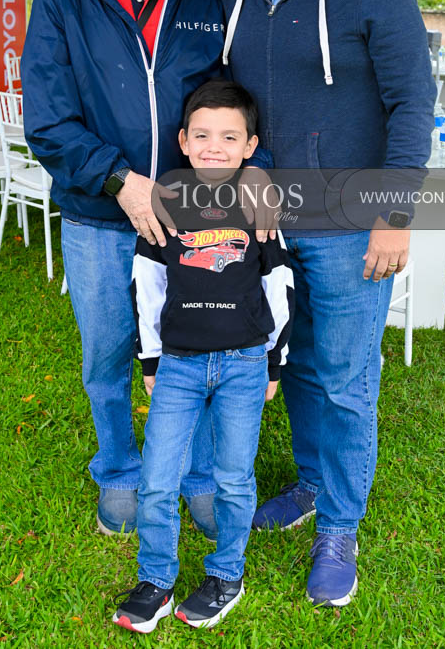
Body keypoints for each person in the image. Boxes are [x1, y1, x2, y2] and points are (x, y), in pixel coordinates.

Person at [217, 0, 436, 608]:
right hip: (269, 228)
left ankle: (340, 527)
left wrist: (394, 213)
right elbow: (227, 103)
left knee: (345, 380)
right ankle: (311, 483)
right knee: (300, 364)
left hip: (350, 227)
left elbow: (412, 103)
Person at [22, 0, 225, 538]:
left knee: (194, 348)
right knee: (108, 353)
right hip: (98, 219)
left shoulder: (205, 1)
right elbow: (47, 122)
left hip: (190, 217)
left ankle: (198, 474)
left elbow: (226, 106)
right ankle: (118, 469)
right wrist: (121, 181)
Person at [113, 80, 294, 633]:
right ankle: (155, 580)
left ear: (250, 146)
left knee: (233, 480)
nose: (215, 147)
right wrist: (150, 360)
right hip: (179, 365)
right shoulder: (166, 203)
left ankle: (226, 576)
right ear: (184, 141)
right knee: (157, 479)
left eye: (229, 137)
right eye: (203, 135)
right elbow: (147, 285)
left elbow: (279, 284)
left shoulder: (258, 205)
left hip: (244, 363)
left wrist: (274, 362)